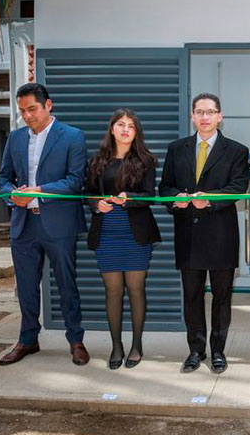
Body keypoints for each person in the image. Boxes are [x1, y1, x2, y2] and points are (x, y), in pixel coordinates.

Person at [0, 83, 89, 366]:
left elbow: (75, 181)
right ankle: (27, 340)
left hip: (59, 225)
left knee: (66, 285)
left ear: (48, 105)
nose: (26, 116)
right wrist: (13, 197)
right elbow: (1, 178)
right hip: (24, 225)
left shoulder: (72, 136)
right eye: (22, 111)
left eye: (32, 109)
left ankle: (75, 340)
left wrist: (36, 191)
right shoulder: (15, 138)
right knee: (25, 287)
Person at [159, 93, 250, 374]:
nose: (205, 117)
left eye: (210, 112)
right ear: (192, 116)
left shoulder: (236, 150)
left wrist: (209, 199)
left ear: (220, 116)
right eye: (200, 112)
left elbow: (238, 187)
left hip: (221, 234)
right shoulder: (177, 149)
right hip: (188, 235)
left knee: (222, 298)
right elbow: (165, 188)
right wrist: (177, 198)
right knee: (192, 296)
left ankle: (218, 351)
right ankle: (195, 350)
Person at [84, 108, 161, 370]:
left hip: (135, 233)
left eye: (130, 125)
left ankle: (136, 346)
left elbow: (150, 196)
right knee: (113, 291)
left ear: (136, 132)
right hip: (106, 231)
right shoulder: (97, 161)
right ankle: (116, 346)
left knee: (136, 290)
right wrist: (97, 205)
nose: (125, 129)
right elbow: (88, 194)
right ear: (112, 129)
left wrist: (130, 199)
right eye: (120, 124)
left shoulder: (146, 161)